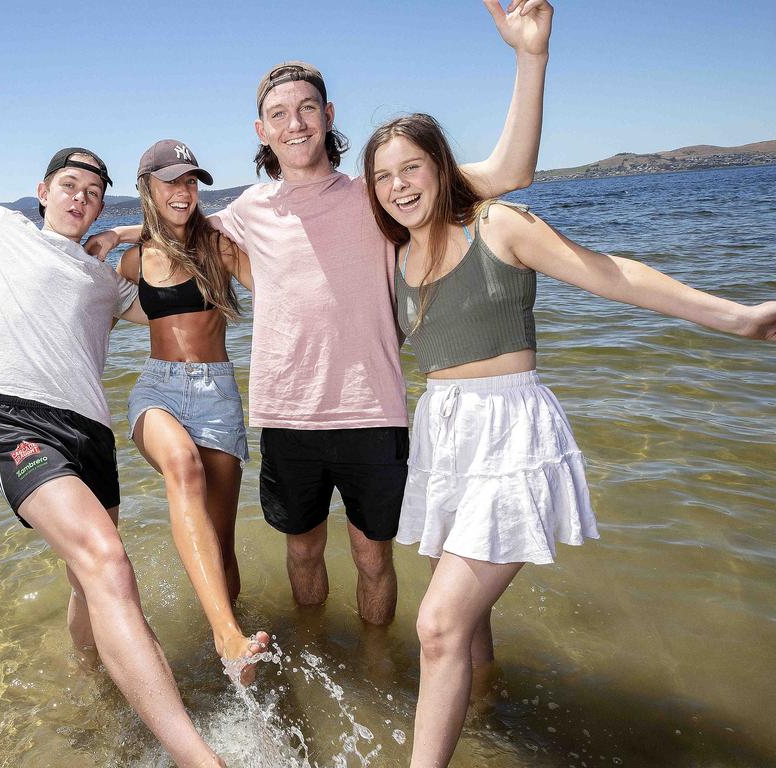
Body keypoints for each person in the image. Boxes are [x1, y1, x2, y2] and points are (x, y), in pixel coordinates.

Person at [90, 0, 555, 626]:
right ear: (262, 131)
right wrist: (114, 236)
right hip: (287, 416)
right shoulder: (248, 210)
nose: (296, 123)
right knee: (303, 559)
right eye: (279, 114)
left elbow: (511, 172)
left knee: (373, 562)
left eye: (308, 108)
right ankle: (315, 675)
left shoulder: (382, 195)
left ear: (328, 116)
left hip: (374, 411)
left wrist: (531, 55)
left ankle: (375, 675)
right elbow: (177, 224)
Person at [361, 111, 776, 767]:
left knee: (437, 626)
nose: (399, 185)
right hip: (444, 437)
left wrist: (739, 317)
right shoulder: (393, 259)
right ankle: (484, 711)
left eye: (412, 166)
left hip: (511, 434)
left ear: (442, 167)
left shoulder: (499, 226)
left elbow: (612, 274)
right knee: (465, 628)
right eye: (383, 176)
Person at [0, 20, 227, 768]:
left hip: (91, 434)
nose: (81, 199)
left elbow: (174, 301)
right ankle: (197, 755)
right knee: (107, 562)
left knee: (85, 580)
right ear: (42, 191)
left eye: (95, 194)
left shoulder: (106, 279)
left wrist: (150, 232)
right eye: (70, 186)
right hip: (17, 416)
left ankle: (90, 685)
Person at [116, 139, 268, 683]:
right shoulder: (133, 260)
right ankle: (227, 637)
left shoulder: (219, 246)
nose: (183, 192)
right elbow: (87, 312)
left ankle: (232, 647)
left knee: (222, 546)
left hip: (217, 394)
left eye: (189, 182)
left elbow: (276, 286)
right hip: (157, 390)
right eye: (171, 182)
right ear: (148, 189)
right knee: (182, 466)